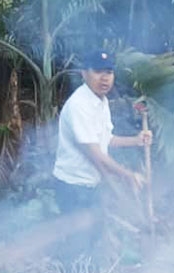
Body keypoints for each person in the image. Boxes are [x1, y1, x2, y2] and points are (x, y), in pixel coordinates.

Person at [51, 48, 151, 257]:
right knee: (77, 244)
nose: (105, 78)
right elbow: (95, 154)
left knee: (92, 237)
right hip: (73, 186)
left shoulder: (100, 101)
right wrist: (128, 175)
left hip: (91, 184)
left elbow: (106, 140)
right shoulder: (79, 105)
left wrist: (136, 140)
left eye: (109, 72)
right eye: (98, 71)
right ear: (84, 73)